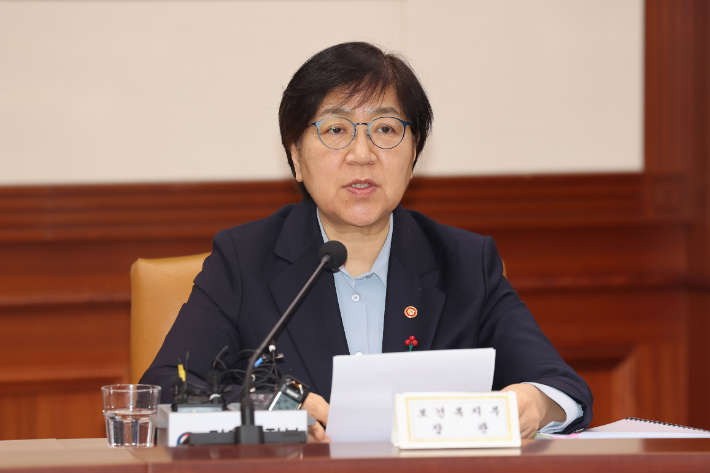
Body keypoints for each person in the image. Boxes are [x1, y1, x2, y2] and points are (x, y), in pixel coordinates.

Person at [141, 41, 593, 441]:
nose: (362, 155)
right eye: (336, 130)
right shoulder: (244, 260)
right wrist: (270, 409)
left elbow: (563, 389)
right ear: (295, 156)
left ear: (414, 153)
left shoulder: (465, 263)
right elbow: (164, 389)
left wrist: (534, 403)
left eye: (386, 129)